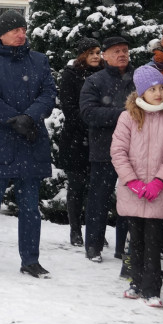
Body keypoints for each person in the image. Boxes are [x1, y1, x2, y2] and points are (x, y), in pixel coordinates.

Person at [0, 10, 56, 278]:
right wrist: (12, 119)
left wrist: (29, 117)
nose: (21, 34)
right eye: (15, 30)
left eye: (23, 29)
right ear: (2, 34)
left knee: (30, 208)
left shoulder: (39, 61)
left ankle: (30, 260)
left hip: (31, 141)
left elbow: (48, 94)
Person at [110, 64, 163, 308]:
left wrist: (159, 181)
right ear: (141, 92)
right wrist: (131, 181)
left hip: (157, 191)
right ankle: (136, 282)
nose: (159, 93)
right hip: (133, 190)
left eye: (162, 88)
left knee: (153, 241)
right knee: (136, 240)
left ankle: (152, 289)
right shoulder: (128, 117)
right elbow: (118, 151)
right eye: (153, 89)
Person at [79, 36, 134, 263]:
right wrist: (123, 114)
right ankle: (93, 245)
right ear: (105, 56)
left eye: (124, 50)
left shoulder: (139, 78)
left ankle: (124, 248)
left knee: (130, 200)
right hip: (104, 149)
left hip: (135, 151)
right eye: (115, 51)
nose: (121, 54)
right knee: (99, 199)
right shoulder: (95, 81)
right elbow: (88, 113)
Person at [58, 38, 102, 247]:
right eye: (91, 52)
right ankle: (75, 229)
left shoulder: (106, 73)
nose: (96, 56)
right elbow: (69, 107)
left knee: (98, 187)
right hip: (76, 138)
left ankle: (95, 230)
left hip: (100, 139)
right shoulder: (71, 75)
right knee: (76, 186)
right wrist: (90, 122)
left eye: (98, 52)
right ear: (82, 54)